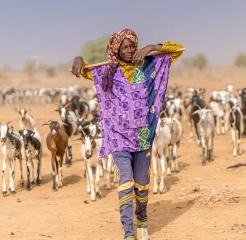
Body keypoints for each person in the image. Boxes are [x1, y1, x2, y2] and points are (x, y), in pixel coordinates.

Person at [71, 28, 184, 240]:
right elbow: (83, 70)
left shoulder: (147, 65)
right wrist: (78, 58)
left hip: (142, 134)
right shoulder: (106, 72)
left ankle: (141, 221)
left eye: (133, 45)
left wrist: (151, 48)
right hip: (118, 136)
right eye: (125, 47)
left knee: (141, 184)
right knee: (126, 181)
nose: (130, 50)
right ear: (116, 50)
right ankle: (128, 232)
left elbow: (177, 50)